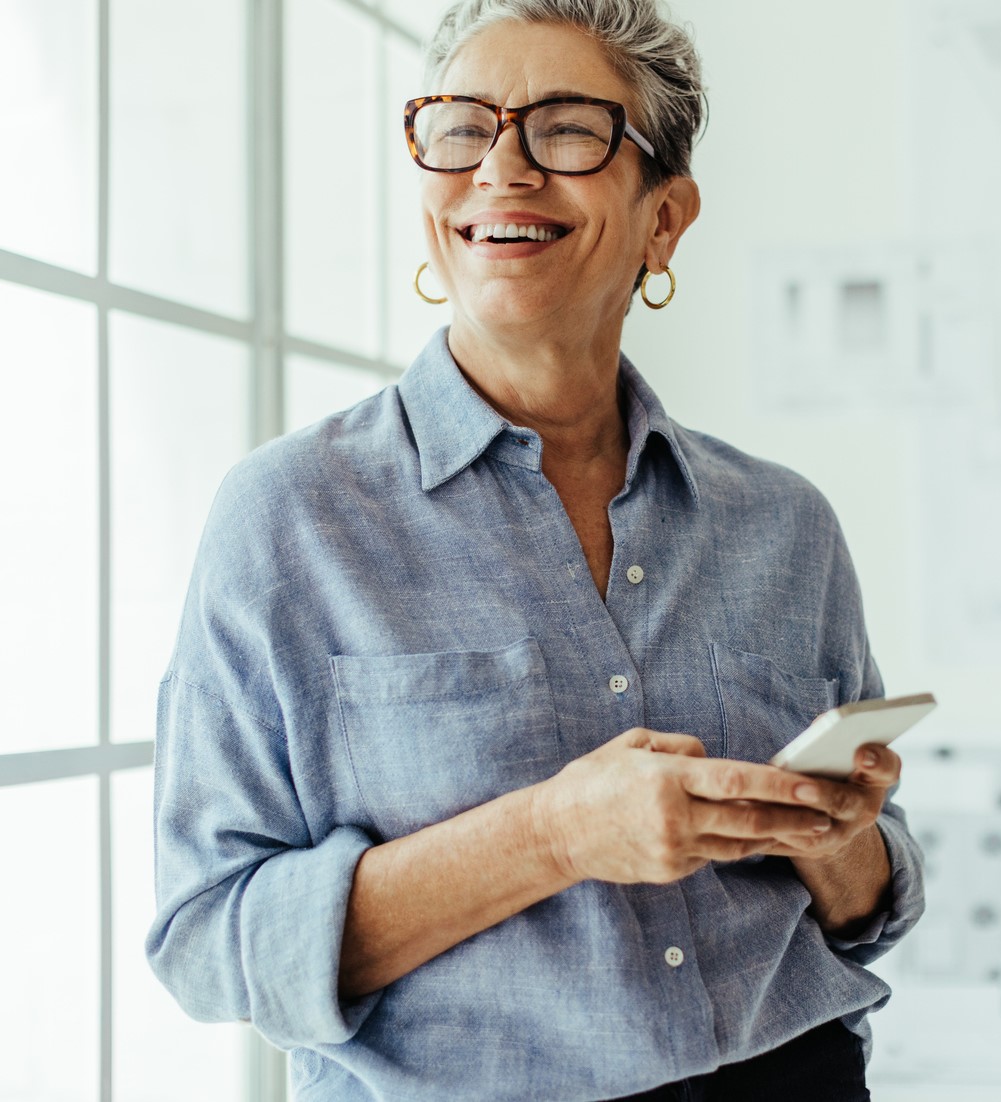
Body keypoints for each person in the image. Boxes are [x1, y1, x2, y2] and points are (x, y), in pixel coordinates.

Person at [146, 2, 925, 1098]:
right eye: (462, 128)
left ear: (664, 218)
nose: (500, 169)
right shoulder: (290, 518)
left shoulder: (783, 523)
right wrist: (552, 834)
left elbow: (865, 908)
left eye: (565, 130)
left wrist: (831, 839)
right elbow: (206, 937)